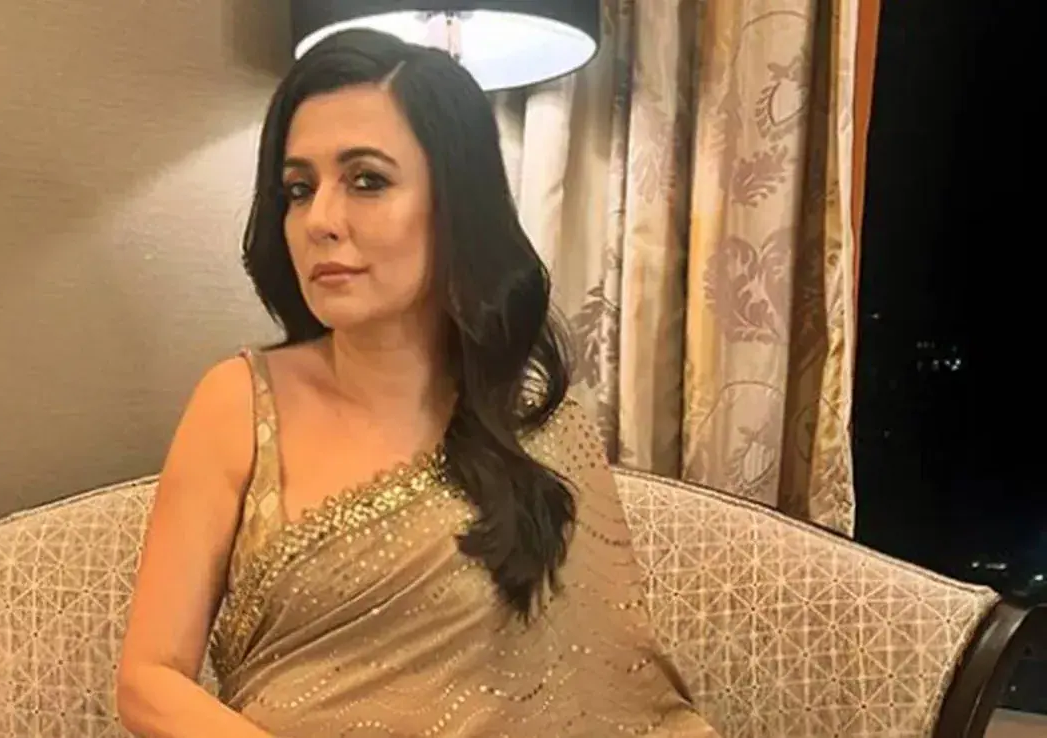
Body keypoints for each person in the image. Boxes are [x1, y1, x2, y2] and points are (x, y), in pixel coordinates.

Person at [116, 28, 719, 738]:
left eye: (367, 180)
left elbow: (607, 689)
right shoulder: (241, 404)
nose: (320, 220)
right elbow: (149, 680)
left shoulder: (539, 432)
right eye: (299, 189)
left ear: (454, 204)